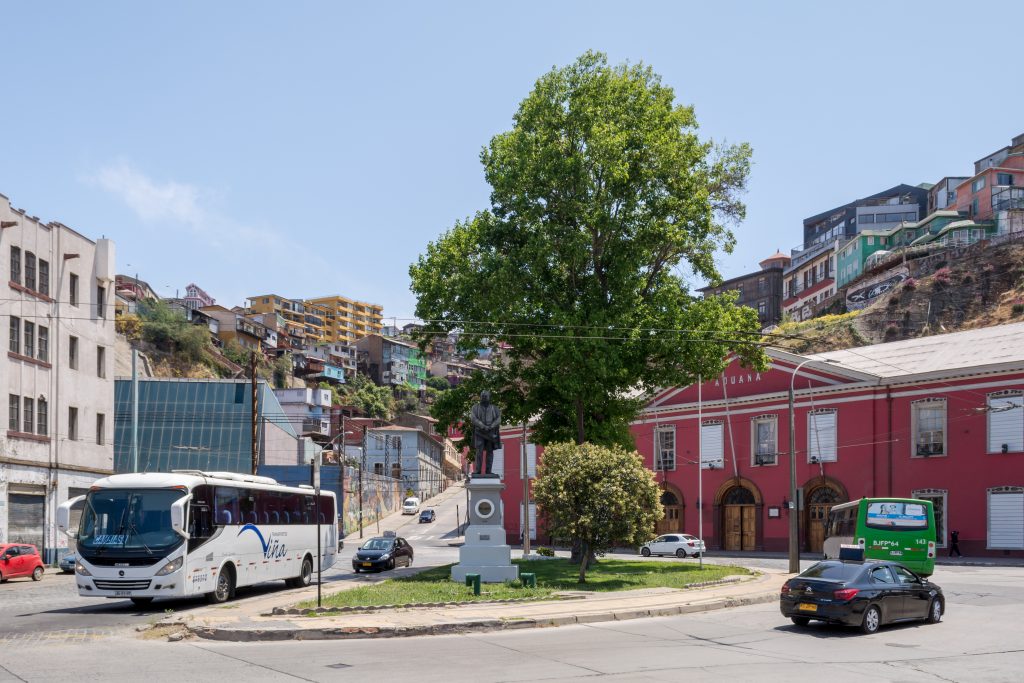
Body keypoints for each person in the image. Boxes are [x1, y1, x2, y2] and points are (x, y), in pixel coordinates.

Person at [469, 390, 502, 476]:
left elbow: (498, 419)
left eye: (485, 396)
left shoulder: (494, 408)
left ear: (489, 397)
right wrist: (483, 426)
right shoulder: (475, 407)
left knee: (490, 452)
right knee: (479, 451)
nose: (483, 398)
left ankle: (488, 471)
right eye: (482, 396)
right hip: (479, 432)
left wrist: (491, 426)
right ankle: (477, 471)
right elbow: (473, 418)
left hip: (491, 433)